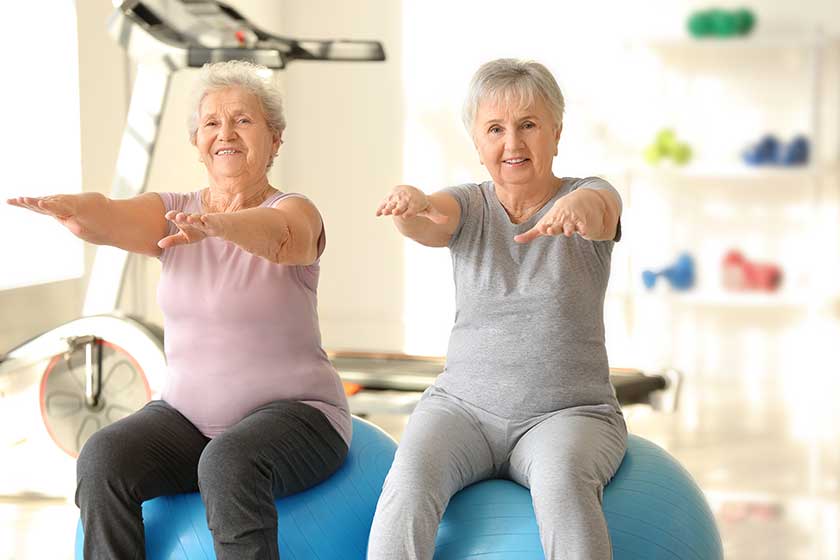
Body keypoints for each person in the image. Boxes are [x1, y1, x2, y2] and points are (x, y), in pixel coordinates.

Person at [7, 60, 350, 560]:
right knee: (102, 457)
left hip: (300, 417)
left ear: (275, 139)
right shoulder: (174, 211)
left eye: (243, 120)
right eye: (211, 122)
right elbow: (114, 215)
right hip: (187, 421)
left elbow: (281, 238)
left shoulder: (295, 210)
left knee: (228, 462)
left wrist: (220, 226)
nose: (225, 132)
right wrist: (80, 210)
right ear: (197, 141)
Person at [369, 58, 627, 560]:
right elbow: (432, 219)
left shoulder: (589, 193)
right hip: (461, 409)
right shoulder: (468, 203)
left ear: (556, 132)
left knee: (564, 488)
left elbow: (601, 211)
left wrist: (580, 211)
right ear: (477, 141)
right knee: (408, 481)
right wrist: (411, 206)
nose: (512, 143)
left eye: (528, 125)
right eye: (496, 129)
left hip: (568, 414)